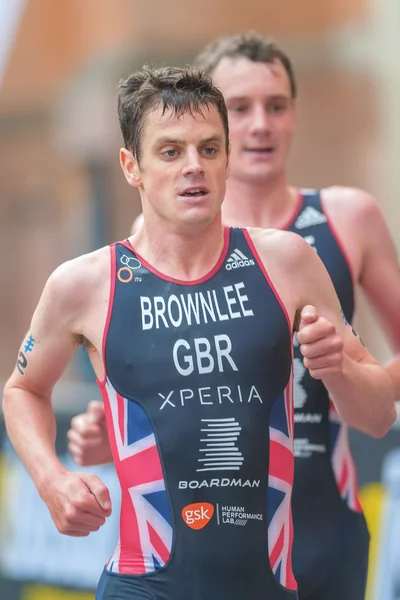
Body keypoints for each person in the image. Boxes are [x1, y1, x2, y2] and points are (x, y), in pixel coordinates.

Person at [67, 34, 400, 600]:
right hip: (208, 533)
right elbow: (154, 395)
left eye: (275, 105)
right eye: (239, 107)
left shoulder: (341, 220)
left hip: (322, 513)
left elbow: (373, 392)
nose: (259, 125)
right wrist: (108, 437)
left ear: (296, 113)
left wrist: (345, 371)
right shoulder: (155, 252)